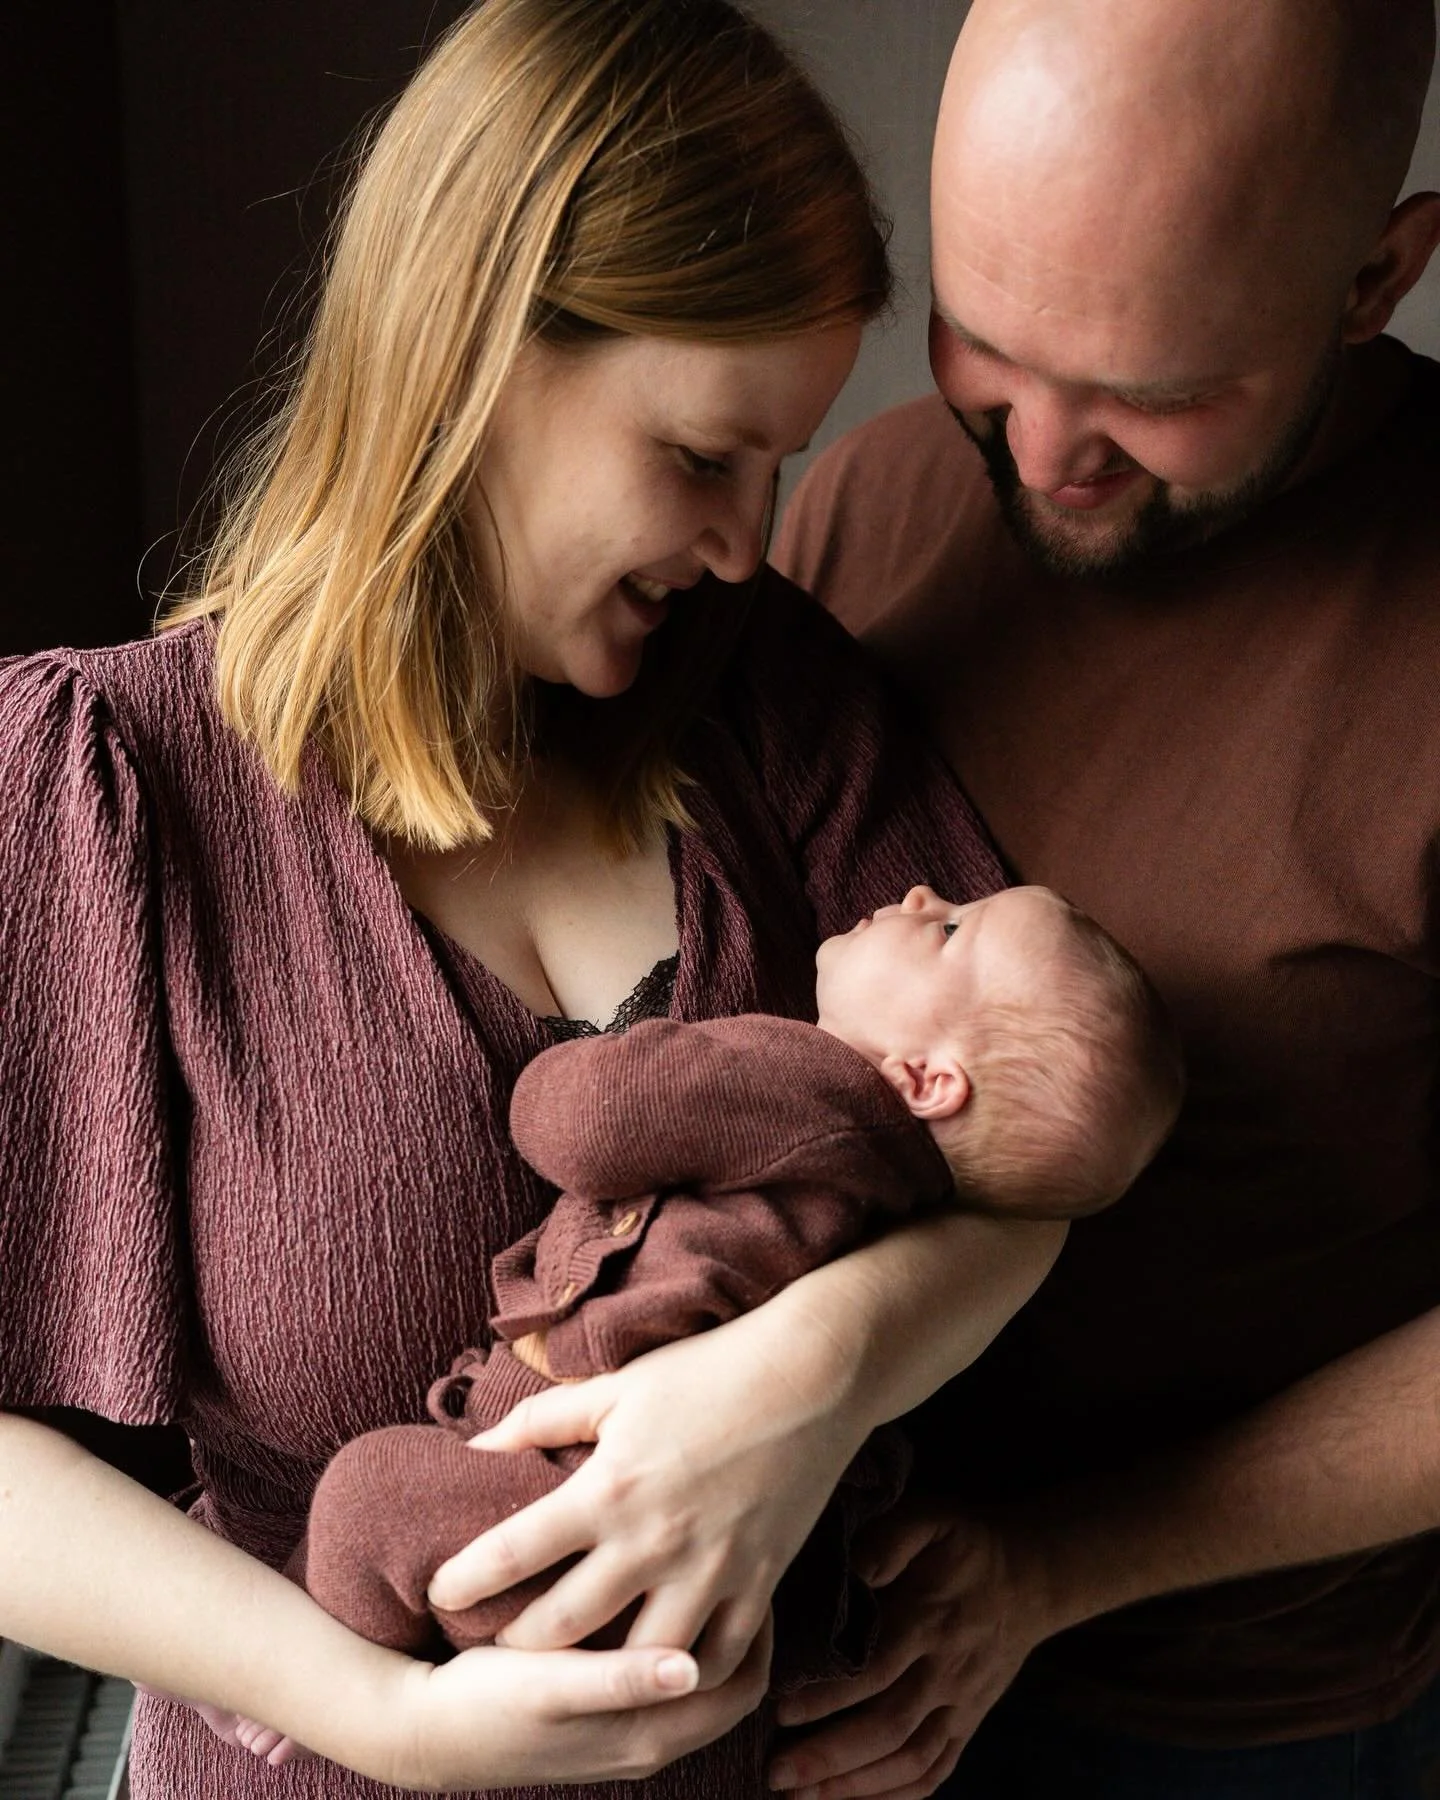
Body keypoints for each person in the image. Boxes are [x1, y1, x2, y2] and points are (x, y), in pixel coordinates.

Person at [0, 3, 1069, 1798]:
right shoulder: (109, 788)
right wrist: (383, 1720)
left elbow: (1049, 1141)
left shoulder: (767, 696)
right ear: (478, 352)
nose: (748, 538)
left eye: (781, 466)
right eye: (704, 455)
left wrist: (813, 1367)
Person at [767, 0, 1440, 1795]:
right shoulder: (880, 496)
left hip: (1227, 1713)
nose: (1046, 452)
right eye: (983, 342)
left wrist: (1061, 1570)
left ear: (1378, 273)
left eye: (1156, 395)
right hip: (805, 1648)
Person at [221, 881, 1180, 1770]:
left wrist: (633, 1057)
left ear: (927, 1080)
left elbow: (583, 1117)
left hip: (587, 1506)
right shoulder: (905, 1198)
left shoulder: (813, 1090)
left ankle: (305, 1651)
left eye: (950, 929)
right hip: (676, 1572)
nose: (925, 891)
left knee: (369, 1496)